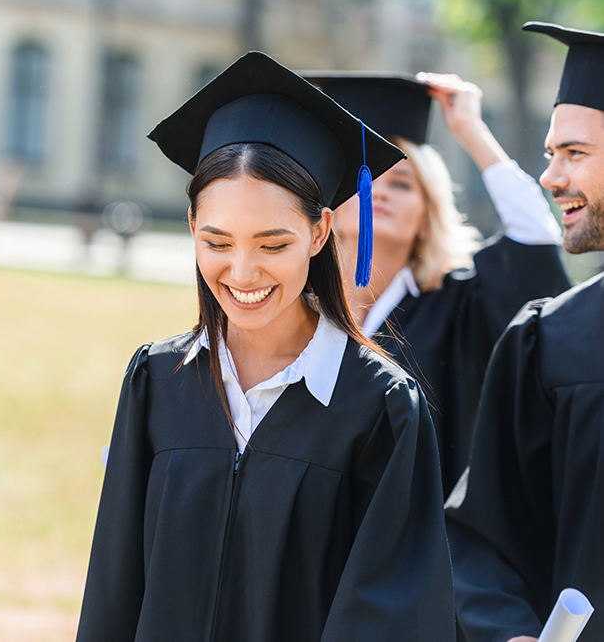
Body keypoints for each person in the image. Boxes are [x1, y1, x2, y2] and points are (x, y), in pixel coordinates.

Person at [75, 52, 456, 642]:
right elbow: (113, 592)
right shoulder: (157, 381)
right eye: (217, 241)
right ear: (192, 227)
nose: (242, 272)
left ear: (320, 232)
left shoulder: (377, 408)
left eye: (273, 244)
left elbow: (389, 618)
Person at [304, 71, 570, 493]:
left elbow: (534, 239)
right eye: (363, 177)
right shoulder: (294, 301)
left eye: (403, 183)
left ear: (428, 216)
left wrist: (472, 131)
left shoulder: (459, 306)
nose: (380, 192)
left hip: (421, 538)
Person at [445, 22, 604, 642]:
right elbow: (485, 539)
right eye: (550, 154)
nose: (552, 176)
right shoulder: (551, 344)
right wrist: (508, 631)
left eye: (575, 153)